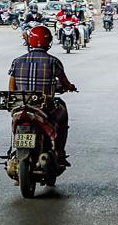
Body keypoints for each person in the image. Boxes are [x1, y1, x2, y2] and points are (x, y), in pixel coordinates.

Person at [7, 25, 77, 163]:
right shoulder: (53, 61)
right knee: (62, 109)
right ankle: (59, 151)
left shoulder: (17, 61)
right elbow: (65, 83)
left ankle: (15, 152)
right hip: (44, 107)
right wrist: (70, 87)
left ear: (30, 41)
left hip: (22, 106)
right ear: (49, 42)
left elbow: (11, 87)